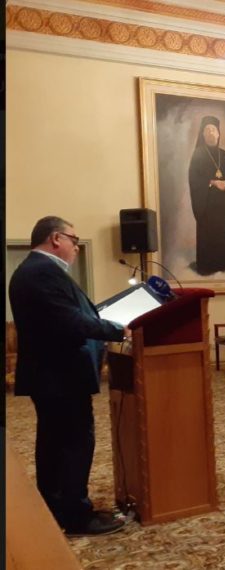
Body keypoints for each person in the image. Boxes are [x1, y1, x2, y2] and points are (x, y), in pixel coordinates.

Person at [10, 216, 128, 536]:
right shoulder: (41, 272)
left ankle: (55, 507)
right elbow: (70, 322)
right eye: (74, 241)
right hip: (59, 376)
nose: (76, 247)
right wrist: (120, 330)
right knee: (73, 443)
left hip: (53, 376)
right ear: (56, 238)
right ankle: (76, 515)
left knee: (54, 443)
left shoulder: (36, 270)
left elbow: (72, 315)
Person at [188, 115, 225, 275]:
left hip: (222, 205)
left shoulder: (224, 155)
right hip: (206, 205)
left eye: (213, 130)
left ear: (218, 133)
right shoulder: (198, 154)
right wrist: (213, 182)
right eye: (207, 130)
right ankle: (207, 264)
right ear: (203, 134)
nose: (211, 133)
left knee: (223, 231)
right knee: (208, 234)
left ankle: (224, 262)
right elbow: (194, 179)